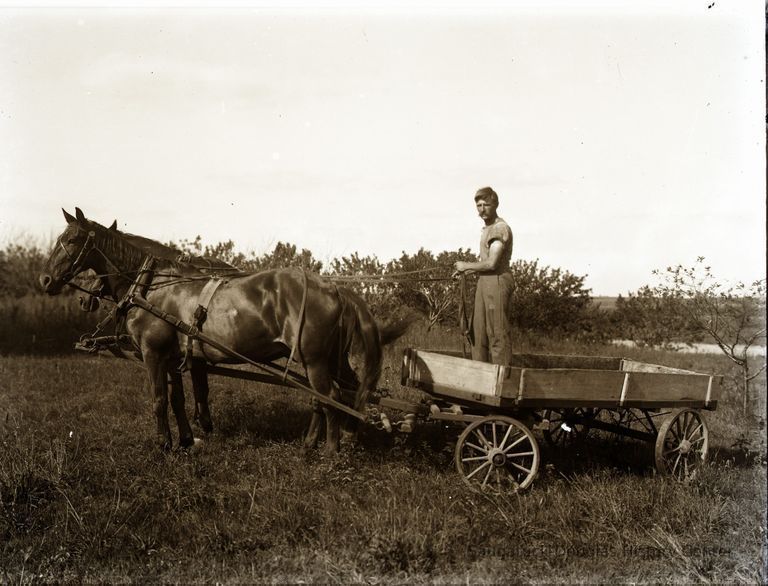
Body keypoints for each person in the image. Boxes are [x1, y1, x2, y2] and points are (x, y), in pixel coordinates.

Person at [453, 186, 513, 365]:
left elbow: (492, 263)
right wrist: (465, 271)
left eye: (486, 205)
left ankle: (501, 385)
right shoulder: (486, 229)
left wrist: (466, 266)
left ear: (495, 204)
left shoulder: (499, 228)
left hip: (498, 281)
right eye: (479, 206)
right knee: (477, 334)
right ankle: (479, 383)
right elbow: (485, 265)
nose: (482, 209)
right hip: (484, 282)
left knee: (497, 334)